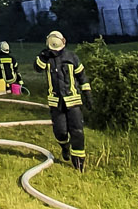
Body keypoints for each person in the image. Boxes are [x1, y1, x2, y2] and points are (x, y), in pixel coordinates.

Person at [35, 30, 90, 171]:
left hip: (73, 101)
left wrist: (88, 95)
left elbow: (82, 77)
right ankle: (64, 146)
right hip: (56, 102)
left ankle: (79, 163)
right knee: (60, 131)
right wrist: (42, 57)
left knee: (77, 131)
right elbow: (37, 69)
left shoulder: (72, 57)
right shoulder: (47, 59)